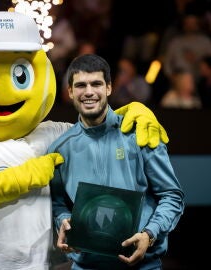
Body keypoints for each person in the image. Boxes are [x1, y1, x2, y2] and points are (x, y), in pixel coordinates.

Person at [0, 10, 169, 270]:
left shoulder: (50, 133)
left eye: (20, 75)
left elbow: (95, 125)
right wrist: (27, 175)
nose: (6, 90)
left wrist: (133, 111)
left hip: (46, 265)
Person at [48, 54, 185, 270]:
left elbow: (171, 195)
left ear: (109, 88)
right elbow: (57, 203)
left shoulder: (140, 134)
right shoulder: (59, 149)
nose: (89, 92)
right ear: (70, 92)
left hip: (143, 265)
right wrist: (62, 220)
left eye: (96, 84)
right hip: (86, 265)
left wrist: (149, 235)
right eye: (81, 85)